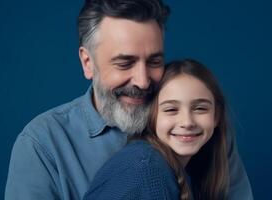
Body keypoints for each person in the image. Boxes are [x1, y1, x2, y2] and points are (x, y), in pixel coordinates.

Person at [5, 0, 253, 200]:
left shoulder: (196, 130)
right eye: (125, 63)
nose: (143, 81)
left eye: (155, 61)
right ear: (87, 62)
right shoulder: (42, 144)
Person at [83, 59, 232, 200]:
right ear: (151, 116)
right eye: (171, 109)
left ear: (216, 116)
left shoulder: (190, 170)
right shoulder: (147, 168)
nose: (187, 122)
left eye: (200, 108)